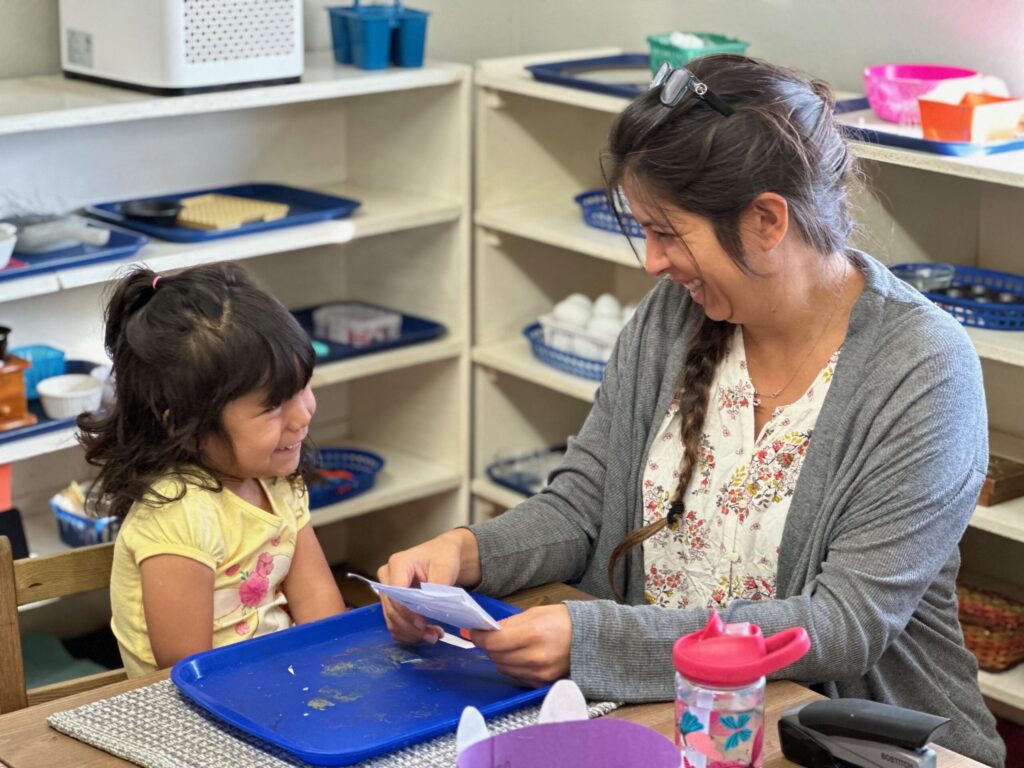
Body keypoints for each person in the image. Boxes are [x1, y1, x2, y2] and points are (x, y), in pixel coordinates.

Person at [379, 55, 1004, 764]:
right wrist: (465, 554)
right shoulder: (674, 317)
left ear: (768, 219)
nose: (651, 261)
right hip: (682, 722)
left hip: (858, 742)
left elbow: (842, 626)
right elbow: (584, 505)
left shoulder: (921, 367)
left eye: (668, 233)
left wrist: (595, 642)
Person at [80, 263, 346, 677]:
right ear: (185, 425)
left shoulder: (276, 480)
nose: (302, 416)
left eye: (302, 387)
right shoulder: (179, 514)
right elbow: (187, 670)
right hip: (197, 707)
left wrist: (337, 674)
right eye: (274, 405)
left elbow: (320, 610)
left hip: (281, 683)